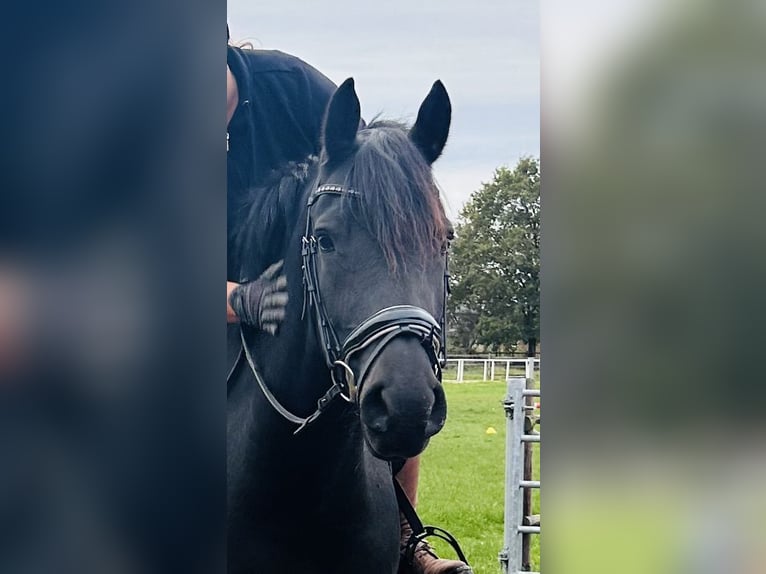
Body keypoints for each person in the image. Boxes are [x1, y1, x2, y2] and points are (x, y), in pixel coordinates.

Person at [225, 27, 470, 574]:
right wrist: (237, 298)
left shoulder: (292, 86)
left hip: (298, 276)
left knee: (388, 368)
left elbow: (375, 185)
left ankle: (406, 537)